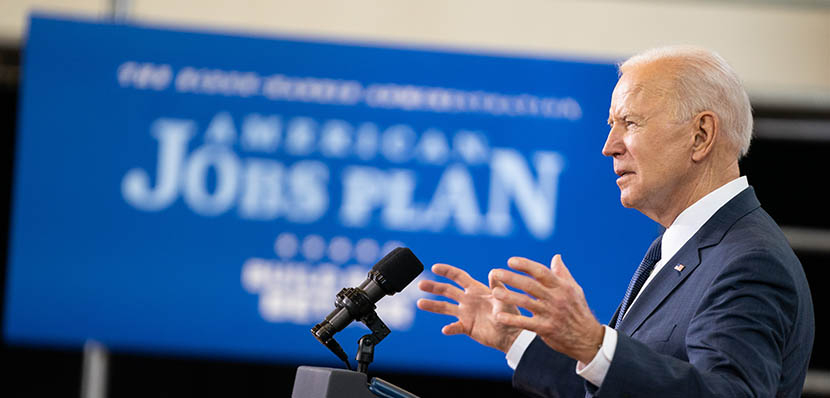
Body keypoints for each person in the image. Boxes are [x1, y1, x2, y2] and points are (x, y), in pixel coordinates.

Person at [417, 46, 815, 397]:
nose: (609, 147)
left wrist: (594, 344)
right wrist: (515, 340)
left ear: (701, 135)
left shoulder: (749, 261)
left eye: (630, 123)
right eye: (612, 125)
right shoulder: (680, 248)